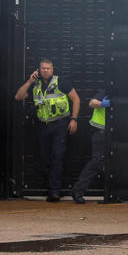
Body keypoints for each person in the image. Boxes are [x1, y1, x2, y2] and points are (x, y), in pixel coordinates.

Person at [14, 59, 80, 202]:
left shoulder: (62, 82)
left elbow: (76, 99)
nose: (45, 70)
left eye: (48, 68)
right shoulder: (35, 85)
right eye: (43, 68)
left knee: (57, 157)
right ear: (38, 70)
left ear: (52, 69)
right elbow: (18, 97)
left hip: (59, 125)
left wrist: (74, 119)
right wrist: (29, 82)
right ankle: (51, 189)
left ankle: (54, 192)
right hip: (42, 126)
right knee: (44, 159)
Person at [70, 90, 110, 204]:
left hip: (115, 134)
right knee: (97, 162)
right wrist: (102, 104)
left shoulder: (125, 93)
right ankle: (77, 190)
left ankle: (115, 193)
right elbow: (92, 103)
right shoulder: (106, 90)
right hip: (100, 132)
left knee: (115, 164)